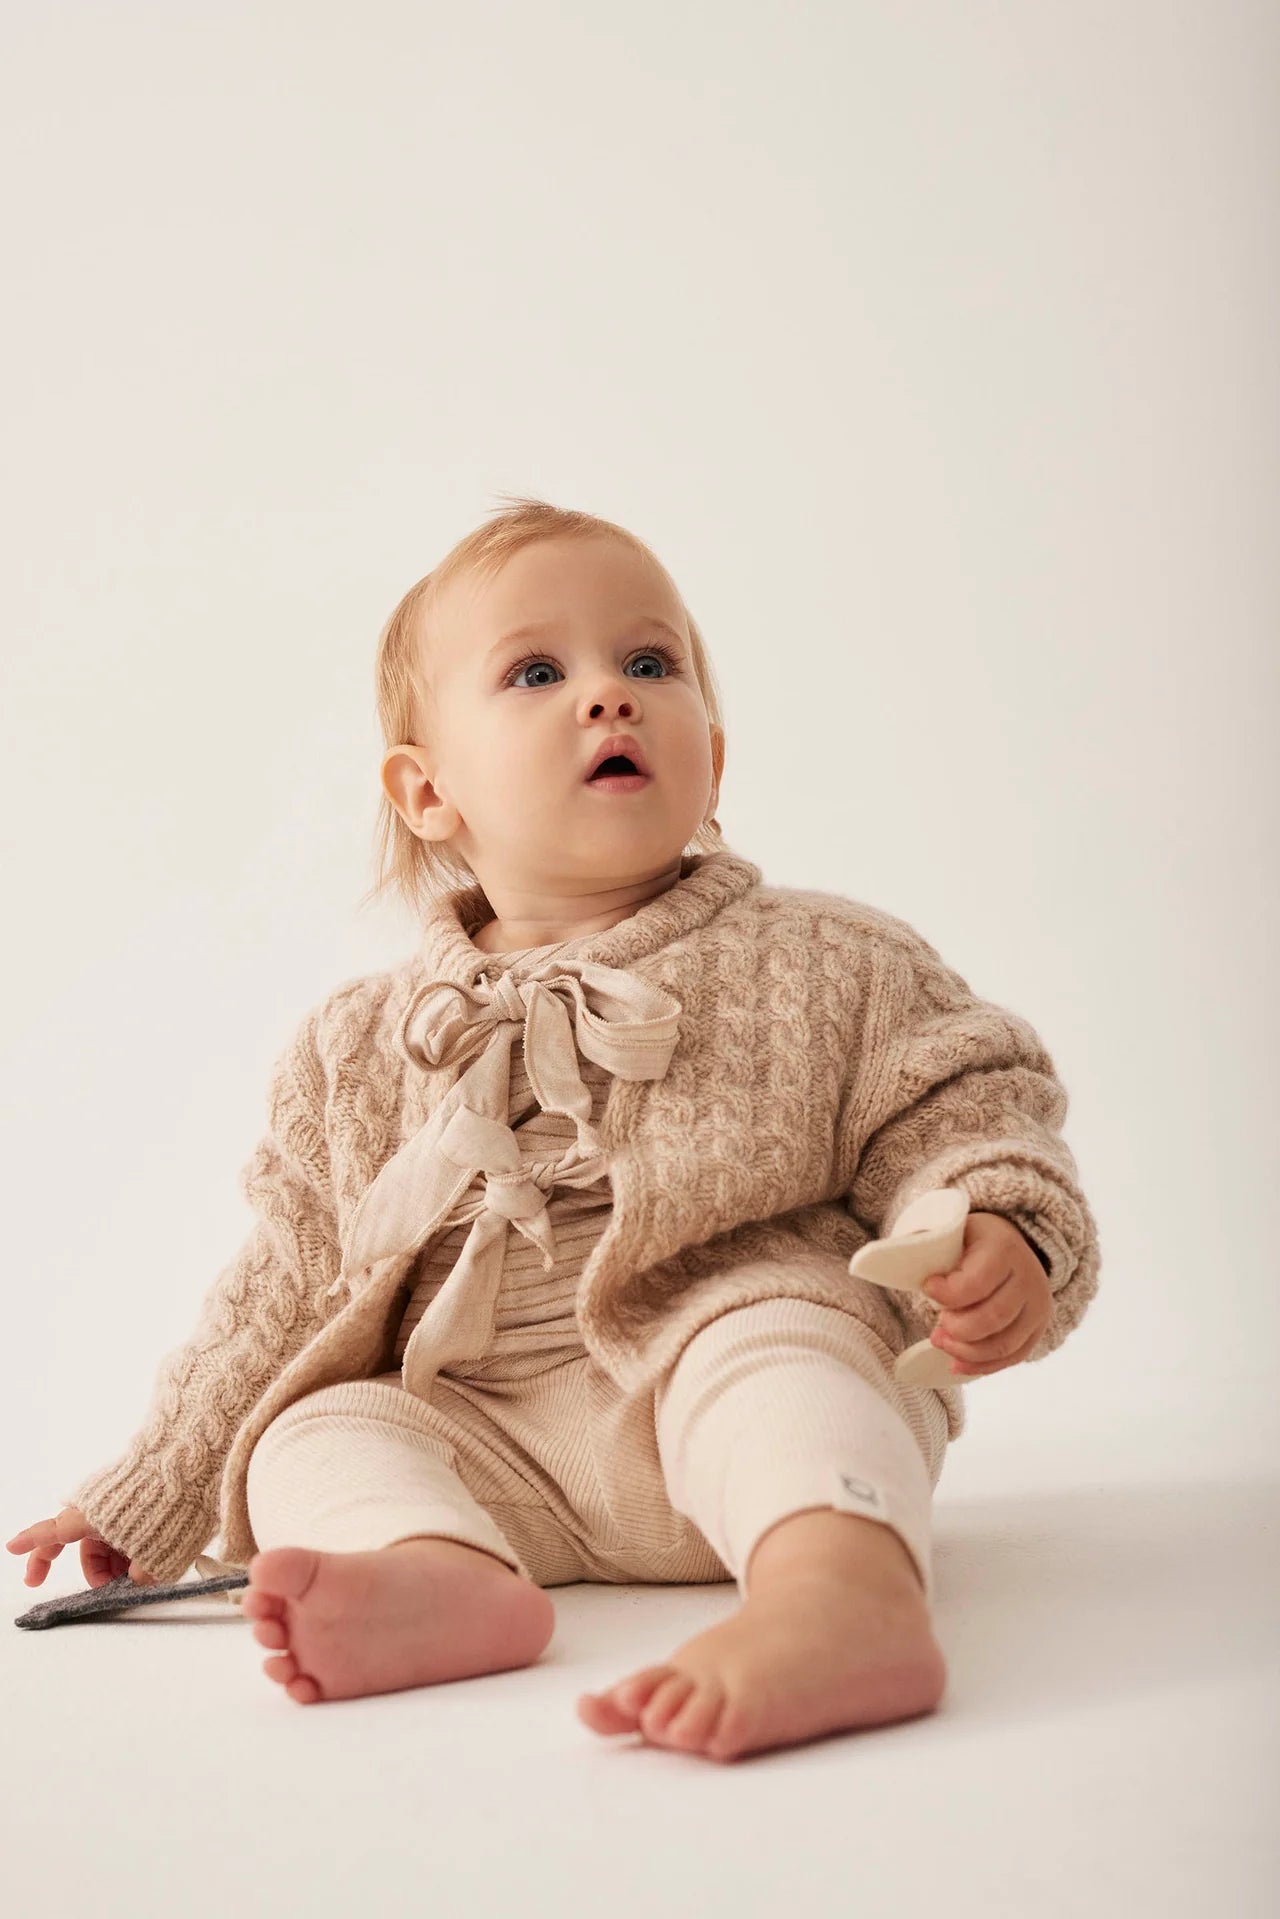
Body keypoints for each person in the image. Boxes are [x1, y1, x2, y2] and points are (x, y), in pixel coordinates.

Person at [7, 495, 1100, 1763]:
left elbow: (965, 1108)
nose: (608, 695)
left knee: (785, 1349)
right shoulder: (356, 1043)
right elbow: (282, 1285)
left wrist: (1001, 1225)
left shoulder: (826, 959)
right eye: (536, 672)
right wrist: (157, 1477)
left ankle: (836, 1593)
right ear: (427, 790)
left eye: (650, 662)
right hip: (490, 1437)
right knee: (314, 1432)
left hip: (708, 1374)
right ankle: (441, 1572)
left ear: (713, 758)